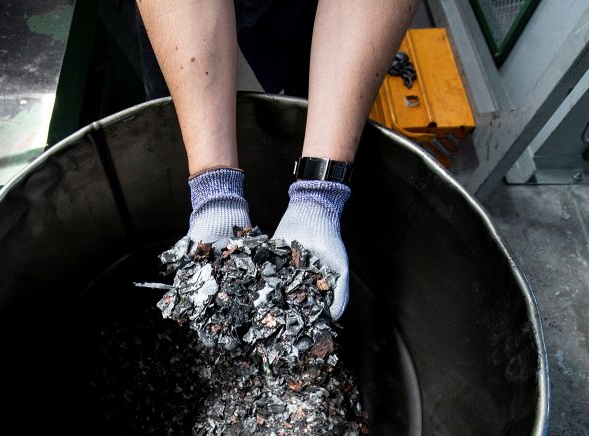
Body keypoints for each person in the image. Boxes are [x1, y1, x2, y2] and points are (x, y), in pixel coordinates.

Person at [137, 0, 419, 319]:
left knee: (304, 89)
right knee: (176, 119)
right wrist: (214, 193)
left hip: (315, 20)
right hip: (182, 21)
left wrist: (320, 194)